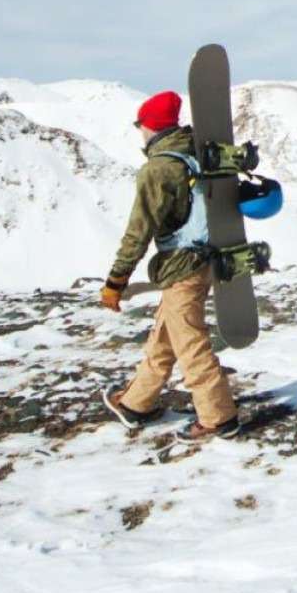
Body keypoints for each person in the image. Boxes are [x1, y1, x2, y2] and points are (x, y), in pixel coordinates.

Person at [99, 90, 240, 440]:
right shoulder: (198, 154)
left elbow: (138, 232)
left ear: (151, 127)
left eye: (141, 125)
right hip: (208, 258)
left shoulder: (159, 169)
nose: (140, 132)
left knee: (190, 342)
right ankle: (136, 403)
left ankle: (218, 417)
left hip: (182, 267)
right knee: (167, 333)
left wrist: (116, 281)